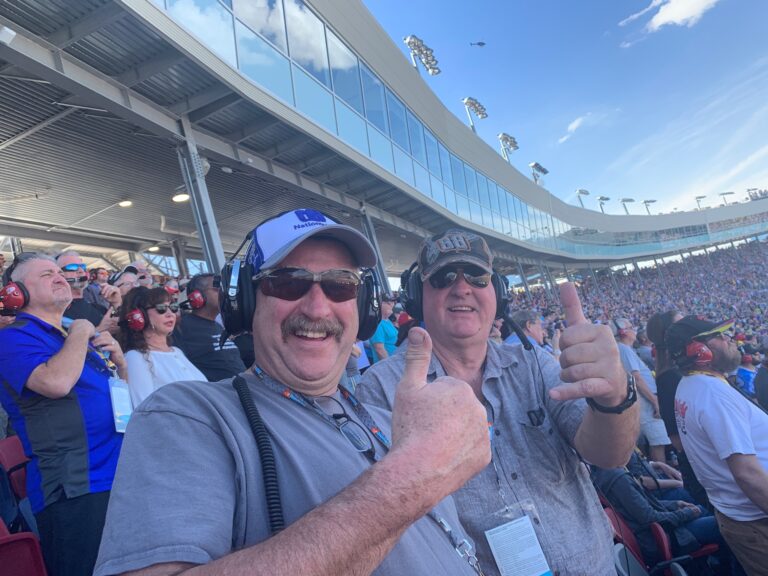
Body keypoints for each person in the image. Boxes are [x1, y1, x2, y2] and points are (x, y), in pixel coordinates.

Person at [95, 209, 490, 576]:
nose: (318, 308)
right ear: (244, 302)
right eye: (287, 283)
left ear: (363, 306)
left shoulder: (391, 420)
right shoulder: (188, 416)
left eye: (339, 285)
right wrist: (414, 475)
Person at [358, 228, 640, 575]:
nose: (462, 288)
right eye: (444, 277)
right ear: (417, 297)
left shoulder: (535, 364)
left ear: (498, 294)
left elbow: (611, 455)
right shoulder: (383, 388)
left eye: (477, 276)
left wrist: (614, 398)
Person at [0, 252, 127, 576]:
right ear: (17, 293)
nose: (59, 277)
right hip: (76, 490)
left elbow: (119, 406)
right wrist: (82, 332)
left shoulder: (69, 338)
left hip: (120, 477)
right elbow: (55, 383)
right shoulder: (12, 338)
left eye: (59, 271)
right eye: (46, 275)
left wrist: (121, 365)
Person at [667, 315, 768, 574]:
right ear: (697, 350)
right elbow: (747, 473)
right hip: (756, 520)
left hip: (739, 516)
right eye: (720, 335)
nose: (729, 338)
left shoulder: (690, 384)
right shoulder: (714, 395)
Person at [120, 286, 206, 407]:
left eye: (173, 307)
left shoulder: (177, 351)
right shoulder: (135, 358)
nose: (170, 313)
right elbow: (144, 410)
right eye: (161, 308)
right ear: (140, 315)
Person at [611, 316, 671, 463]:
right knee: (657, 441)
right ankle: (662, 475)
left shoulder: (625, 349)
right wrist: (654, 400)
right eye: (631, 327)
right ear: (623, 332)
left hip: (645, 400)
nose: (635, 331)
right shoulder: (623, 349)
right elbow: (636, 378)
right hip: (646, 401)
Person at [172, 273, 246, 381]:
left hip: (245, 393)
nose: (224, 292)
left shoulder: (218, 326)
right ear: (197, 296)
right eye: (217, 288)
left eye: (224, 288)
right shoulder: (181, 327)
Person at [56, 250, 121, 334]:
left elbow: (120, 326)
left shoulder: (97, 308)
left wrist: (116, 303)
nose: (81, 271)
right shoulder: (56, 311)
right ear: (59, 275)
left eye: (82, 267)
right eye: (72, 267)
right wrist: (99, 330)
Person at [369, 294, 398, 362]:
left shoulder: (387, 321)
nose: (392, 305)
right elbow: (379, 350)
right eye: (388, 303)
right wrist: (390, 366)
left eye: (393, 302)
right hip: (387, 367)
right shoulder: (377, 323)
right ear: (379, 304)